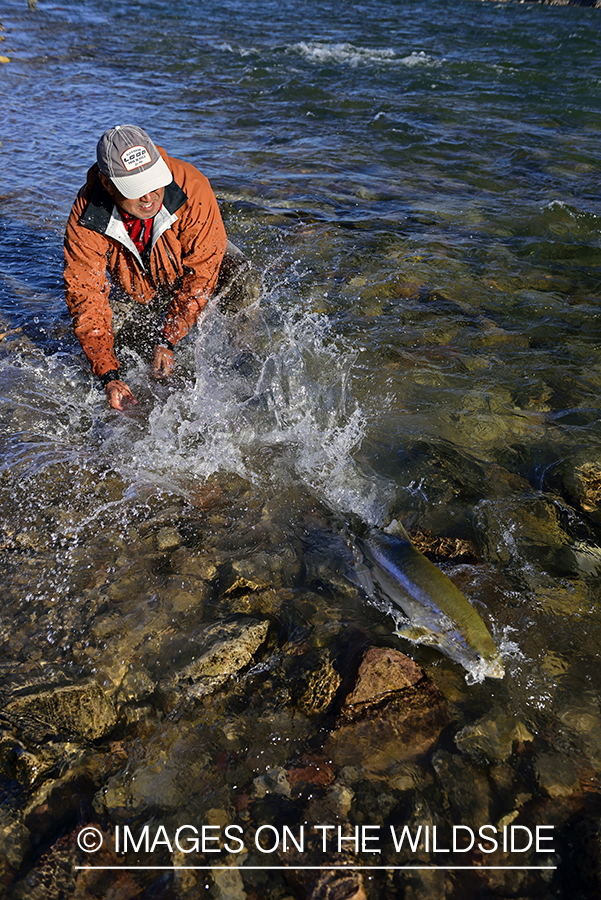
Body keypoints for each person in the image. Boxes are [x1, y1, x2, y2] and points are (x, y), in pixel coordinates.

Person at [64, 124, 258, 410]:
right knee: (106, 347)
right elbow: (86, 295)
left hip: (187, 269)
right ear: (107, 184)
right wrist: (109, 375)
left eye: (154, 182)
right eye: (137, 189)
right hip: (137, 286)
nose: (149, 196)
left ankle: (245, 362)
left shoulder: (191, 185)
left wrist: (168, 338)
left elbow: (203, 271)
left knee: (245, 276)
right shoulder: (86, 216)